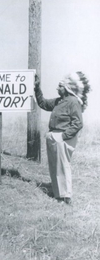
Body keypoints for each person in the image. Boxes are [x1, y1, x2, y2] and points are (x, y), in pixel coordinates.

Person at [34, 71, 91, 205]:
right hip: (54, 136)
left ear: (66, 88)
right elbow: (43, 103)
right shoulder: (59, 101)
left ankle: (66, 197)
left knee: (62, 166)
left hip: (63, 137)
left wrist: (63, 136)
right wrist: (37, 88)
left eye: (60, 86)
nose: (57, 88)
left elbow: (78, 123)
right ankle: (58, 194)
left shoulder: (73, 102)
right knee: (54, 166)